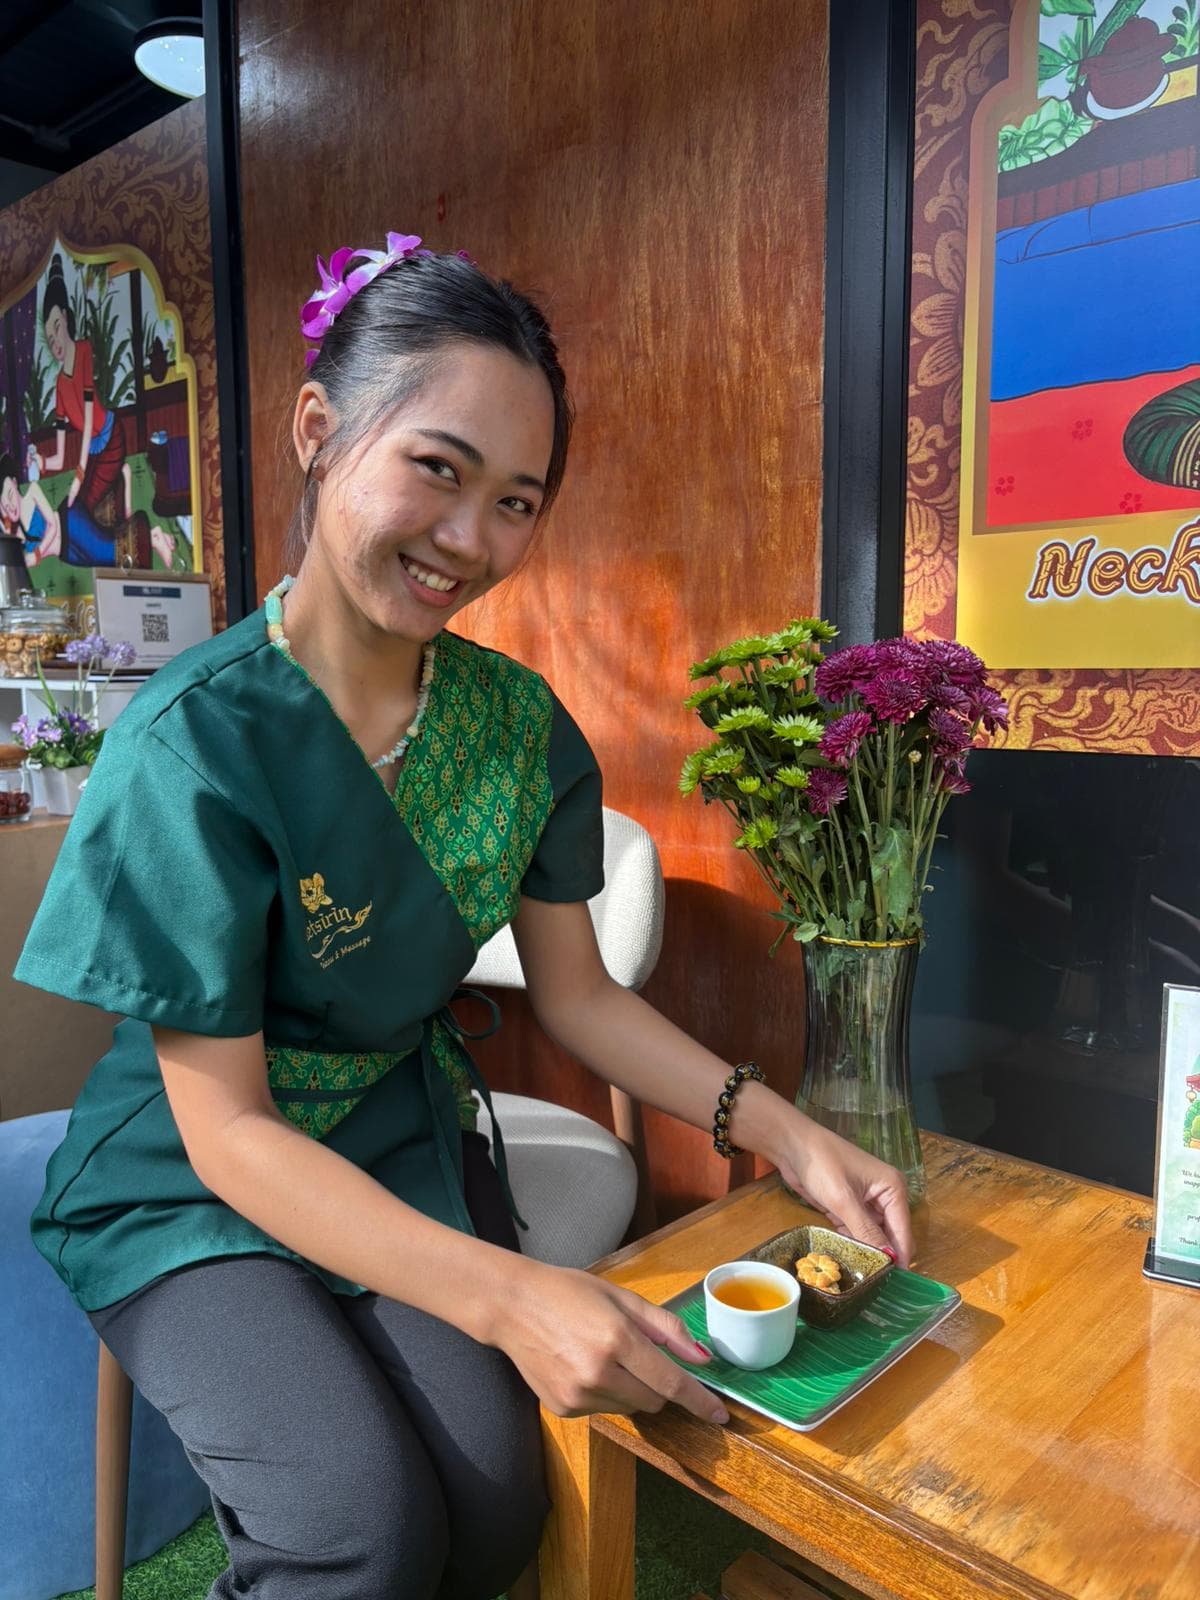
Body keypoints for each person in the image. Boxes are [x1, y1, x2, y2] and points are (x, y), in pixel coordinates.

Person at [17, 235, 913, 1600]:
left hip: (393, 1134)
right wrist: (513, 1294)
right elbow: (232, 1128)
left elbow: (582, 1000)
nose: (467, 540)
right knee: (359, 1533)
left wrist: (784, 1128)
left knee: (498, 1512)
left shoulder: (518, 732)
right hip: (195, 1178)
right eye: (436, 468)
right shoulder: (187, 745)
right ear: (321, 429)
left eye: (516, 501)